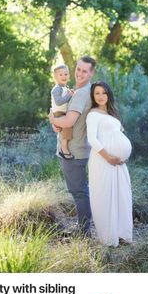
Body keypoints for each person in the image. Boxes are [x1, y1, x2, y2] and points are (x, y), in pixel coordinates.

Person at [49, 56, 96, 235]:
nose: (79, 73)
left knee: (79, 192)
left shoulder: (81, 93)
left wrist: (53, 118)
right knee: (81, 190)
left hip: (74, 151)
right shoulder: (85, 90)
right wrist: (56, 122)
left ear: (92, 73)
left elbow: (68, 121)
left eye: (85, 70)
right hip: (81, 147)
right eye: (78, 69)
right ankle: (84, 227)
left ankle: (84, 231)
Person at [86, 81, 133, 247]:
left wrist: (122, 154)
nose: (100, 96)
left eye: (104, 93)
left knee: (121, 196)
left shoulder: (112, 114)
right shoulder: (92, 114)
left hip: (119, 164)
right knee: (105, 197)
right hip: (102, 161)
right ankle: (108, 239)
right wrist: (109, 157)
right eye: (97, 93)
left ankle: (122, 235)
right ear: (93, 96)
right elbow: (92, 139)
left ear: (108, 95)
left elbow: (117, 136)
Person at [51, 64, 74, 160]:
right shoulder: (56, 89)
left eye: (66, 74)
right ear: (55, 77)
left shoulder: (65, 87)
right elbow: (59, 102)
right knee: (67, 126)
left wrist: (71, 93)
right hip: (59, 113)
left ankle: (61, 149)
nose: (64, 76)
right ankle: (63, 148)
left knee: (63, 131)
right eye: (61, 75)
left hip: (62, 112)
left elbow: (67, 96)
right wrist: (69, 95)